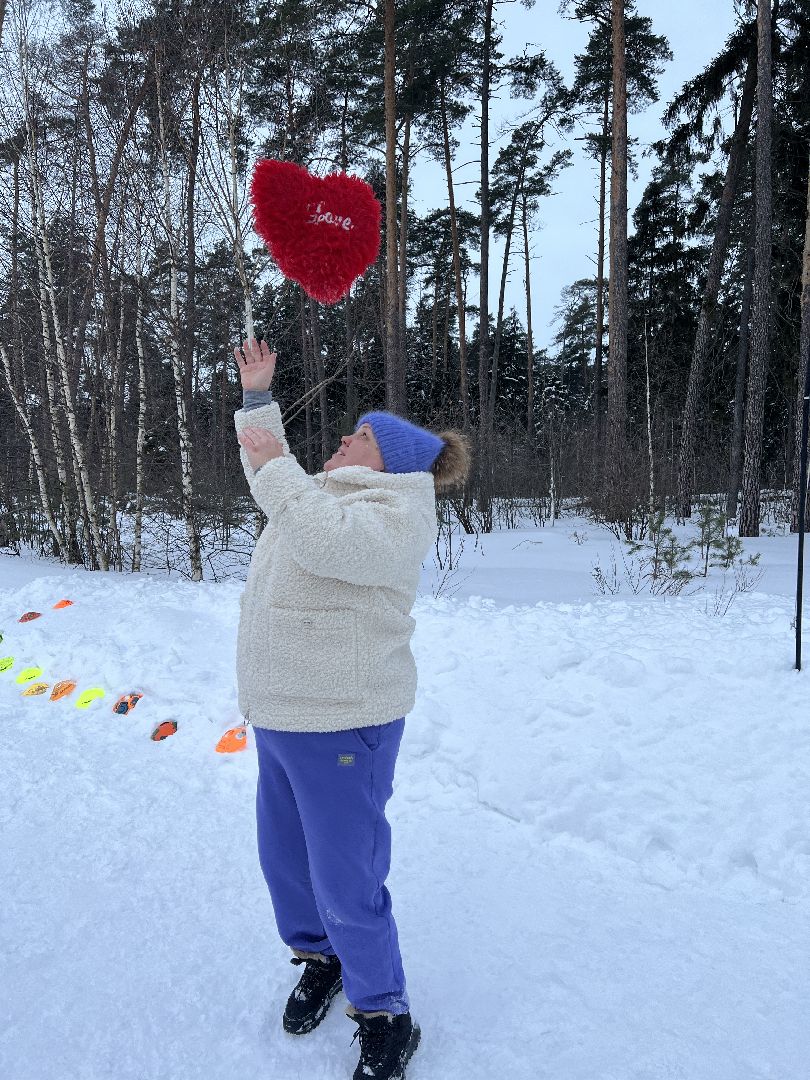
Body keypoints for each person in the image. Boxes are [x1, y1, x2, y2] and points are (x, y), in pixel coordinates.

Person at [233, 337, 470, 1080]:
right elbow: (272, 475)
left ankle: (386, 1011)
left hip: (343, 719)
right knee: (287, 865)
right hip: (281, 711)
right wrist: (255, 398)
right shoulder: (327, 496)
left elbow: (307, 521)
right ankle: (320, 957)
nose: (341, 438)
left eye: (359, 437)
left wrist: (277, 464)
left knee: (346, 878)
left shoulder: (394, 518)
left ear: (390, 464)